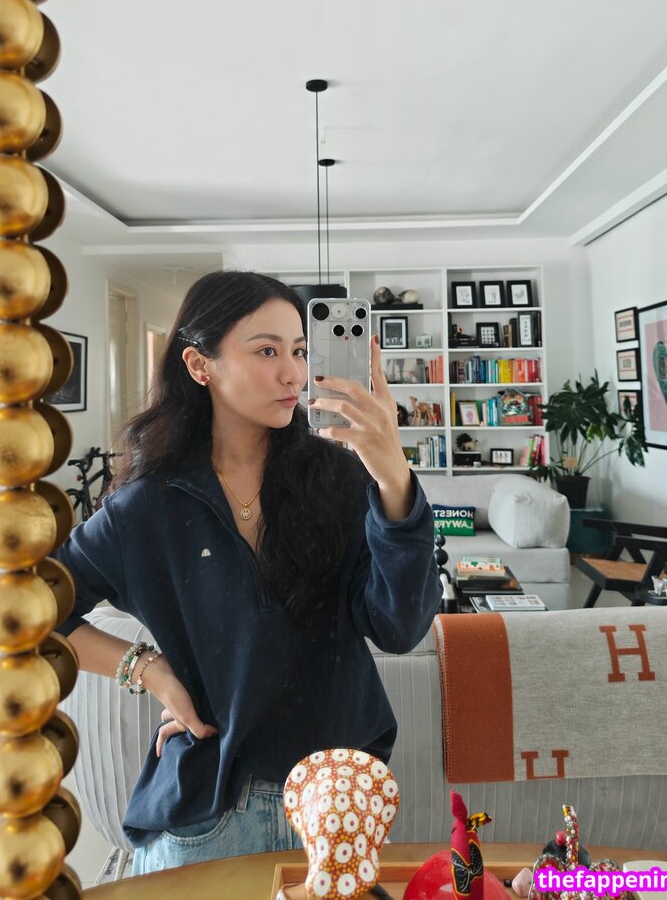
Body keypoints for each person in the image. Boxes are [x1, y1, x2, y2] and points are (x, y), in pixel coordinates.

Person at [54, 270, 441, 874]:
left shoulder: (340, 480)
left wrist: (393, 478)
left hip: (335, 805)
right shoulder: (148, 507)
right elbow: (34, 612)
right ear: (199, 365)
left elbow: (400, 627)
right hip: (208, 812)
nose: (293, 373)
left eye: (300, 351)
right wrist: (149, 670)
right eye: (266, 351)